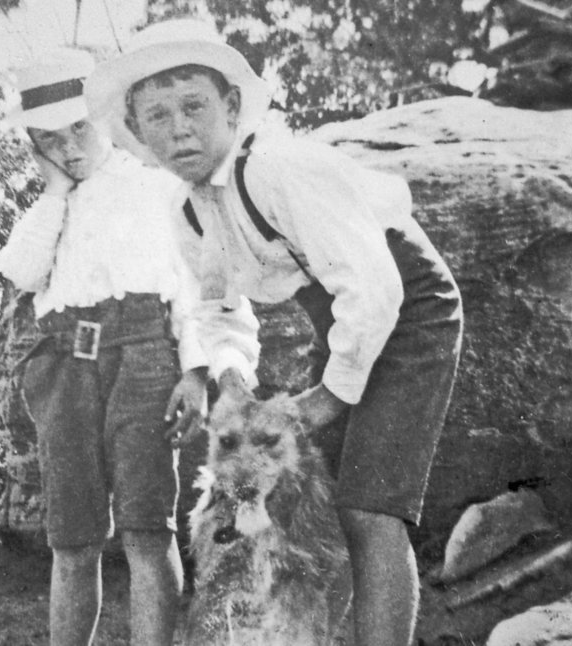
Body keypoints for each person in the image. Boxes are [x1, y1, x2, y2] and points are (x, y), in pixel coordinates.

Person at [86, 19, 464, 646]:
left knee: (372, 508)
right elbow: (219, 310)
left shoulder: (278, 167)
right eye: (156, 116)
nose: (178, 127)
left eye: (194, 106)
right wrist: (231, 380)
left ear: (232, 106)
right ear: (138, 134)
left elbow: (375, 288)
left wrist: (327, 397)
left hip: (407, 309)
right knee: (314, 505)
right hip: (346, 321)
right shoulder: (188, 208)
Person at [0, 48, 259, 646]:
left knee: (146, 527)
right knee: (72, 536)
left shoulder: (155, 186)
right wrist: (54, 192)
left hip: (143, 354)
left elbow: (191, 283)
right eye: (48, 139)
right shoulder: (51, 204)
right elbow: (24, 271)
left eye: (78, 130)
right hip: (63, 363)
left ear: (105, 121)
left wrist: (195, 372)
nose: (68, 147)